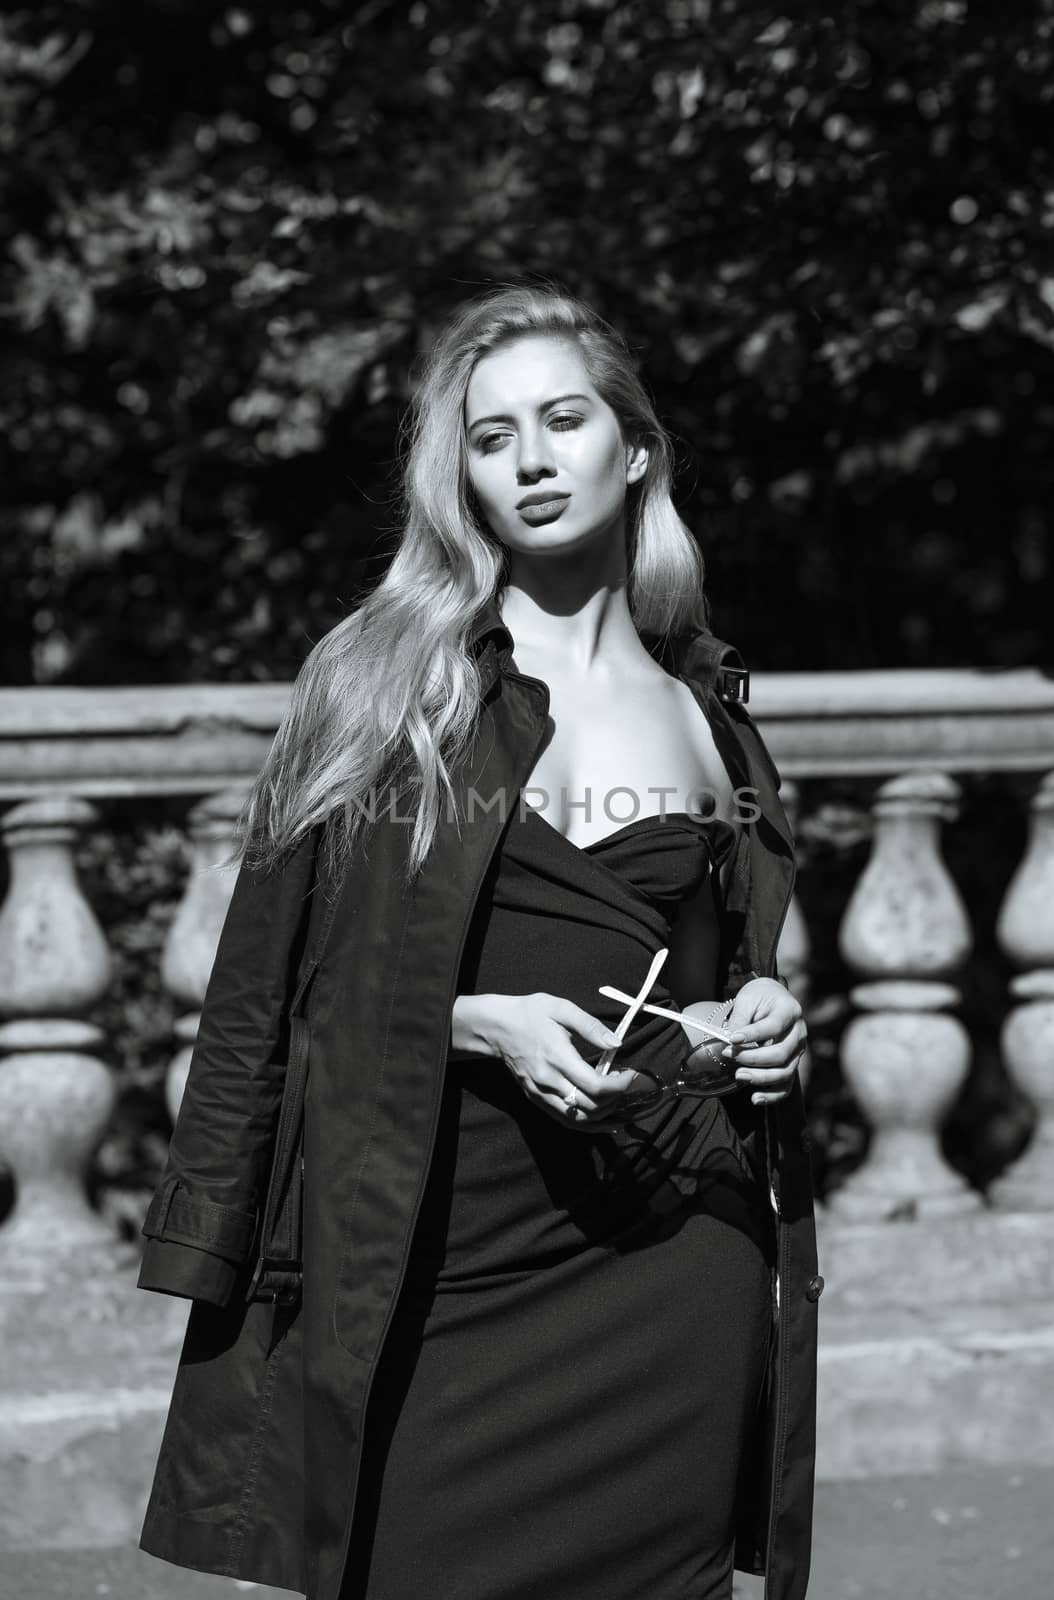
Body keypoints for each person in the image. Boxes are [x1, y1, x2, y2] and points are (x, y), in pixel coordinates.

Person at [136, 283, 820, 1600]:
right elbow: (260, 1003)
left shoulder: (706, 711)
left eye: (562, 420)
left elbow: (725, 972)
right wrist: (470, 1019)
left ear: (632, 449)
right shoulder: (383, 681)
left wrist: (764, 1019)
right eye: (492, 436)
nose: (530, 459)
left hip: (671, 1269)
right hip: (437, 1270)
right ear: (460, 477)